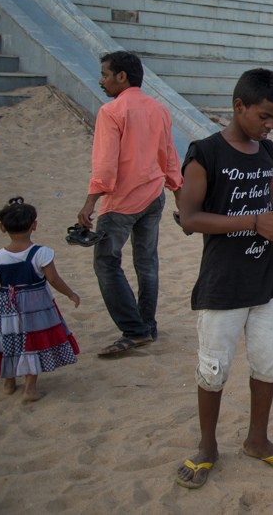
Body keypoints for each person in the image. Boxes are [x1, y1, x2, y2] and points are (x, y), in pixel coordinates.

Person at [173, 69, 273, 490]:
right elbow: (189, 217)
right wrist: (255, 222)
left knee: (268, 363)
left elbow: (261, 201)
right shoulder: (205, 153)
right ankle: (207, 447)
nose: (270, 126)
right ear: (239, 107)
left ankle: (257, 439)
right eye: (264, 117)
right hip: (224, 281)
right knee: (213, 369)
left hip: (267, 279)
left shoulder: (266, 151)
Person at [78, 51, 182, 356]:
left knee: (106, 262)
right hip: (153, 196)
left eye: (105, 74)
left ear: (121, 76)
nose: (101, 80)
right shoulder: (160, 109)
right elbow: (169, 156)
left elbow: (105, 166)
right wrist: (177, 194)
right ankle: (146, 325)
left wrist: (89, 204)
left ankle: (135, 330)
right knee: (146, 261)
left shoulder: (111, 111)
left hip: (122, 200)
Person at [0, 197, 80, 403]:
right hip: (35, 306)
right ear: (34, 225)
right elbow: (53, 279)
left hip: (6, 307)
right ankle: (30, 389)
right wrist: (70, 294)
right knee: (32, 342)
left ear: (2, 227)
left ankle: (9, 383)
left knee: (9, 340)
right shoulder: (41, 253)